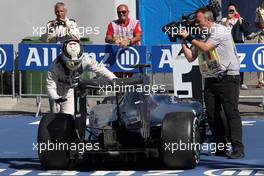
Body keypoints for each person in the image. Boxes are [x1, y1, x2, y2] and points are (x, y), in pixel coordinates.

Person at [179, 8, 244, 159]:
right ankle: (220, 147)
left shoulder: (220, 31)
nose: (196, 24)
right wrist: (182, 40)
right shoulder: (200, 35)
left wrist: (189, 37)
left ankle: (238, 148)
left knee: (231, 113)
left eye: (198, 21)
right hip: (210, 77)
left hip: (228, 77)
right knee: (212, 115)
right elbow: (190, 57)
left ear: (208, 20)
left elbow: (206, 47)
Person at [47, 39, 117, 115]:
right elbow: (50, 86)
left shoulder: (86, 60)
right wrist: (55, 97)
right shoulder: (55, 65)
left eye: (76, 62)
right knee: (55, 115)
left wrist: (115, 79)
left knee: (69, 115)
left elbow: (101, 69)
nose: (73, 65)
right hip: (57, 88)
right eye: (71, 63)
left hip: (70, 89)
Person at [105, 4, 142, 78]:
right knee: (118, 80)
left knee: (134, 79)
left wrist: (128, 41)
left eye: (123, 12)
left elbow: (138, 37)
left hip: (133, 54)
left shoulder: (135, 22)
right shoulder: (112, 24)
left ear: (128, 12)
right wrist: (115, 40)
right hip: (118, 55)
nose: (121, 13)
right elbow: (107, 38)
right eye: (119, 12)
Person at [221, 3, 249, 90]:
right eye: (230, 10)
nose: (231, 12)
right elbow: (223, 30)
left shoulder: (240, 19)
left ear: (236, 11)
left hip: (239, 43)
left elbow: (245, 30)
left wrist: (239, 19)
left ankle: (241, 82)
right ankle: (228, 81)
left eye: (233, 10)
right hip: (228, 45)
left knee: (241, 63)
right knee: (229, 64)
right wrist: (228, 20)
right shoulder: (224, 20)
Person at [255, 1, 264, 88]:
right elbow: (256, 23)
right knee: (261, 58)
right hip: (262, 36)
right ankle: (260, 81)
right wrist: (261, 26)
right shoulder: (259, 10)